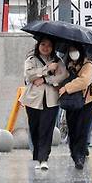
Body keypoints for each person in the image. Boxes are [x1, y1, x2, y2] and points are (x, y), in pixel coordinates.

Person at [19, 37, 67, 170]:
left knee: (46, 129)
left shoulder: (58, 61)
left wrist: (45, 79)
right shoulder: (31, 59)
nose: (46, 48)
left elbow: (63, 76)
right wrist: (46, 68)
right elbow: (28, 75)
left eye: (49, 45)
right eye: (43, 44)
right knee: (34, 128)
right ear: (38, 45)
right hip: (33, 100)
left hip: (51, 100)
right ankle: (37, 155)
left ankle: (43, 158)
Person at [59, 44, 92, 170]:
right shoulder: (66, 65)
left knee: (83, 129)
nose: (73, 52)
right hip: (71, 101)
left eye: (75, 50)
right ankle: (74, 152)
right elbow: (60, 77)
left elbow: (84, 81)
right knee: (73, 128)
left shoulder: (88, 64)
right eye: (70, 50)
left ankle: (79, 156)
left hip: (87, 101)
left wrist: (67, 87)